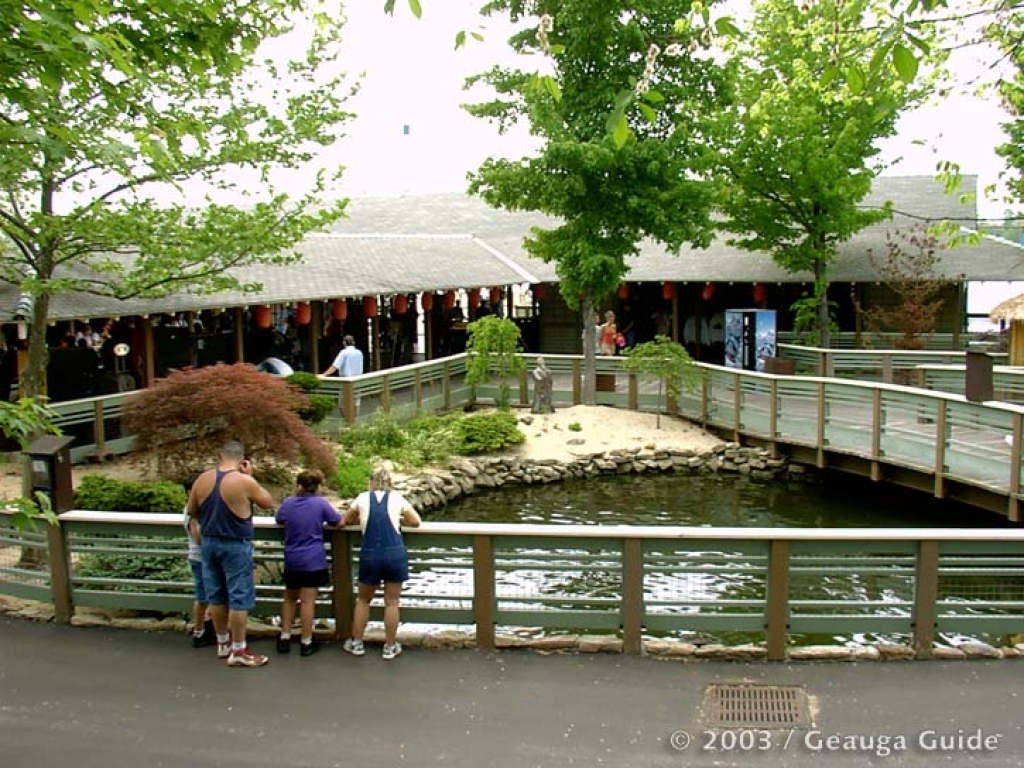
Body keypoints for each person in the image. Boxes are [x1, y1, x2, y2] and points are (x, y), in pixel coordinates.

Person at [187, 441, 276, 668]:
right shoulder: (243, 481)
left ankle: (222, 642)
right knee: (239, 597)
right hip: (235, 544)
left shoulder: (203, 479)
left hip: (208, 544)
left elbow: (192, 511)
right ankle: (239, 649)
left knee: (216, 595)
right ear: (242, 459)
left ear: (220, 455)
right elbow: (268, 503)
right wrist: (251, 476)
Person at [342, 465, 421, 661]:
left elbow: (345, 520)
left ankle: (357, 643)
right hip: (394, 554)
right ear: (390, 483)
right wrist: (400, 520)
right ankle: (390, 646)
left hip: (370, 554)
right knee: (392, 602)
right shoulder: (397, 498)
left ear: (371, 481)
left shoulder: (362, 498)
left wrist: (360, 520)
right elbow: (415, 521)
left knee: (363, 600)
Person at [274, 470, 342, 658]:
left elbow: (279, 518)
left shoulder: (288, 503)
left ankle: (285, 637)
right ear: (317, 486)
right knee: (307, 601)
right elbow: (337, 521)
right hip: (313, 559)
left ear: (299, 485)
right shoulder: (320, 504)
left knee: (289, 598)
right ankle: (306, 641)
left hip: (292, 558)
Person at [184, 490, 216, 649]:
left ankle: (205, 627)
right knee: (204, 597)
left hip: (198, 557)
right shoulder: (193, 513)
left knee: (209, 595)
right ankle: (200, 630)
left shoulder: (193, 509)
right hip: (201, 558)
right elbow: (198, 538)